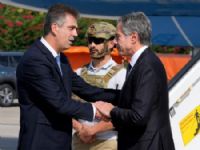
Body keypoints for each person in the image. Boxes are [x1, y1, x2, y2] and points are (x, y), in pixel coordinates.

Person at [16, 4, 118, 150]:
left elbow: (86, 90)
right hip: (40, 143)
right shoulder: (35, 60)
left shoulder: (61, 59)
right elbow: (59, 102)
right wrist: (95, 110)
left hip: (60, 142)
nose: (76, 34)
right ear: (55, 28)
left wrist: (125, 95)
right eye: (71, 28)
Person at [95, 12, 175, 150]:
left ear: (133, 37)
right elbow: (131, 100)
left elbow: (138, 116)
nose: (114, 42)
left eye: (118, 37)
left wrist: (112, 111)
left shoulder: (147, 66)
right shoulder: (140, 63)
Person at [72, 22, 126, 150]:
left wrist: (93, 130)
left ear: (113, 42)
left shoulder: (122, 74)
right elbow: (64, 105)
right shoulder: (77, 73)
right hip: (79, 139)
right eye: (90, 40)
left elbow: (125, 113)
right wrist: (80, 128)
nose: (92, 45)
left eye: (98, 40)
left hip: (108, 141)